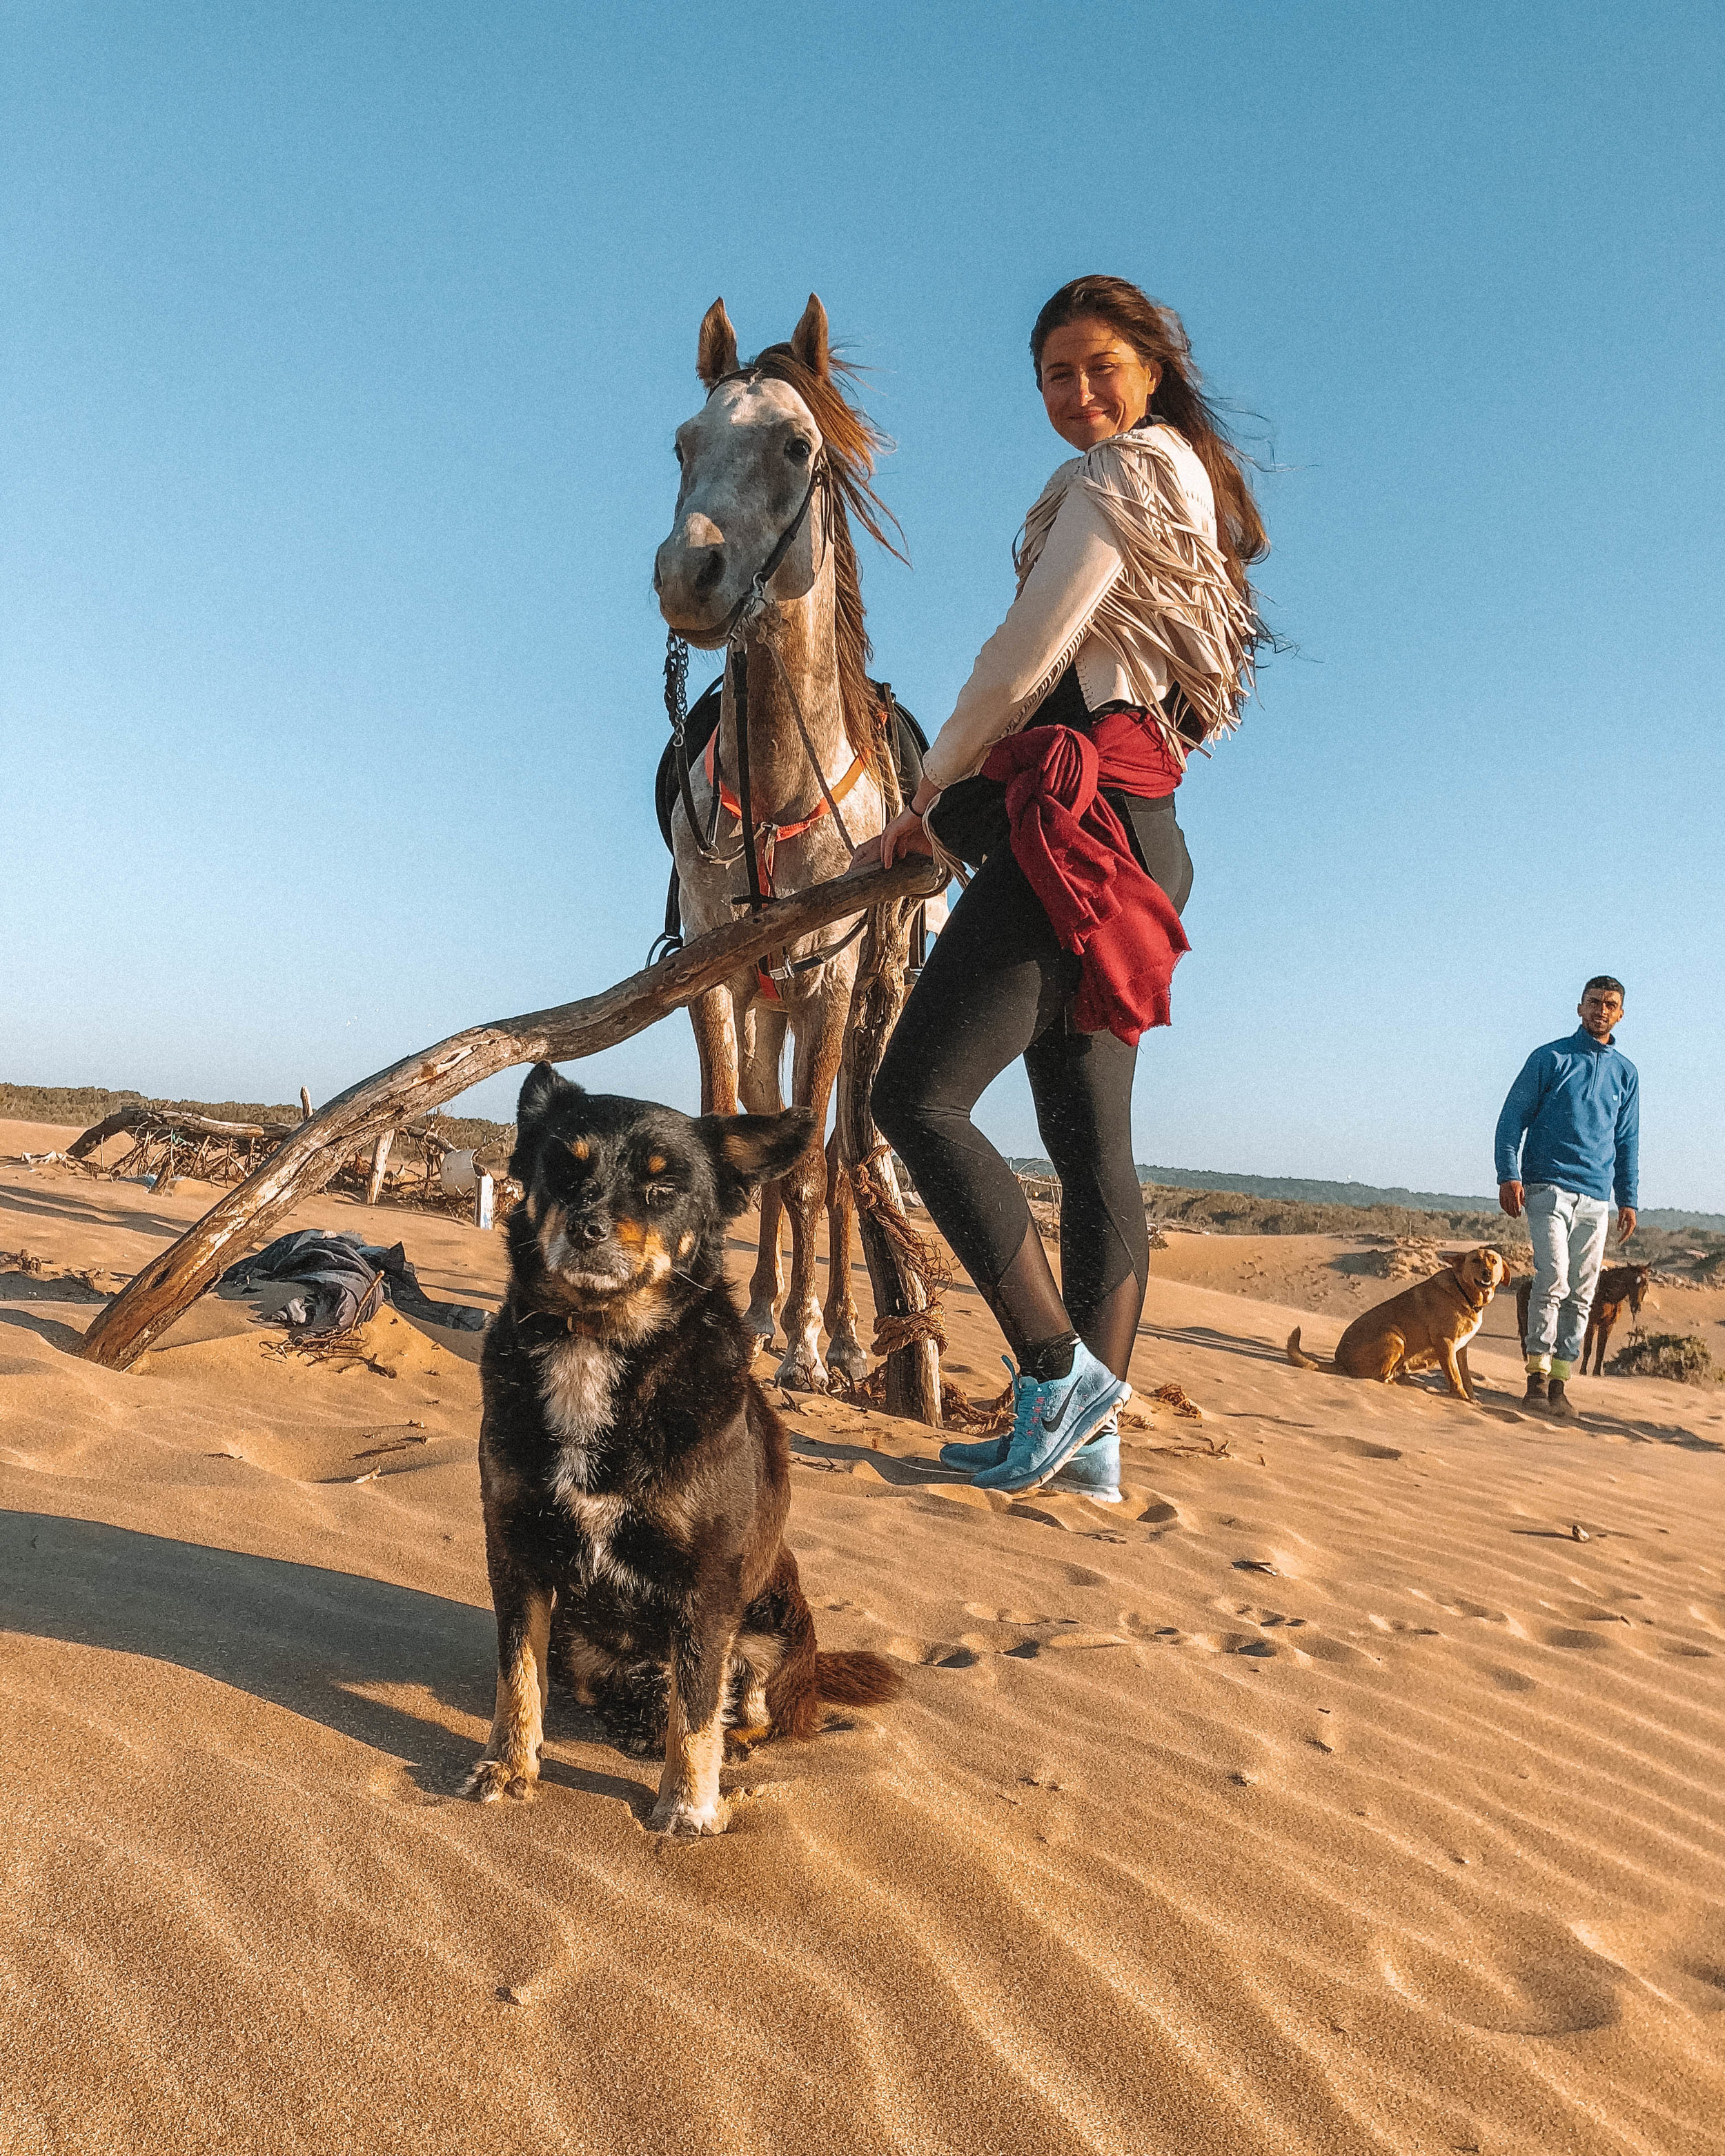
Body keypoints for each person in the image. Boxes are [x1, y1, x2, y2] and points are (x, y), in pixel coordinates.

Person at [854, 275, 1265, 1500]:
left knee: (917, 1098)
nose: (1078, 393)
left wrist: (926, 793)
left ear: (1153, 367)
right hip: (1144, 827)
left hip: (1077, 827)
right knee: (1093, 1149)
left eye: (1100, 365)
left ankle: (1058, 1378)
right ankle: (1092, 1447)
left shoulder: (1124, 476)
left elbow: (1027, 653)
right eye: (1054, 375)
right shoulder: (1187, 486)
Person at [1495, 976, 1639, 1421]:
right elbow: (1511, 1118)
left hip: (1596, 1197)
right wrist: (1508, 1174)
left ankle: (1561, 1380)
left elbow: (1627, 1139)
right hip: (1547, 1186)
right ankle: (1535, 1377)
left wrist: (1628, 1199)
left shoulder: (1625, 1073)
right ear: (1580, 1008)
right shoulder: (1550, 1057)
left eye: (1610, 1004)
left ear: (1621, 1014)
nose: (1601, 1009)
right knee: (1553, 1277)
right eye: (1593, 1002)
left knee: (1583, 1291)